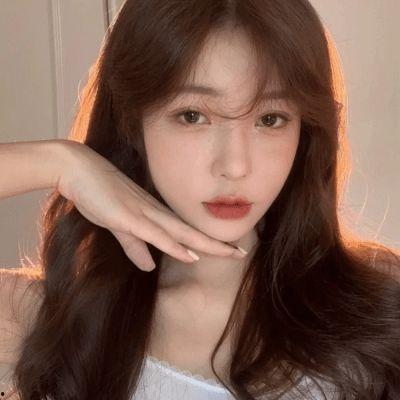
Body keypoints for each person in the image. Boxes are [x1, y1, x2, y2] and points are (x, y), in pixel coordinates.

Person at [1, 0, 399, 399]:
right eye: (193, 116)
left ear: (305, 130)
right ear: (132, 121)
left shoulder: (378, 306)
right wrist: (60, 162)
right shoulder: (53, 319)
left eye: (270, 119)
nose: (235, 166)